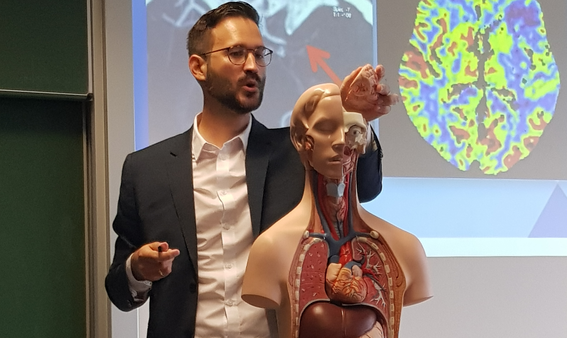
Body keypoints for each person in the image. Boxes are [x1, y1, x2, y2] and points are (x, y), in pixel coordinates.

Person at [104, 2, 397, 337]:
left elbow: (366, 188)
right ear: (198, 66)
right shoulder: (147, 170)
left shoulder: (299, 152)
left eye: (259, 54)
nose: (252, 66)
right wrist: (137, 269)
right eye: (236, 53)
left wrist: (358, 122)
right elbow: (119, 291)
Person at [242, 83, 432, 338]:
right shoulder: (272, 248)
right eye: (325, 128)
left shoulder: (405, 249)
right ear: (301, 139)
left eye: (352, 130)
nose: (341, 141)